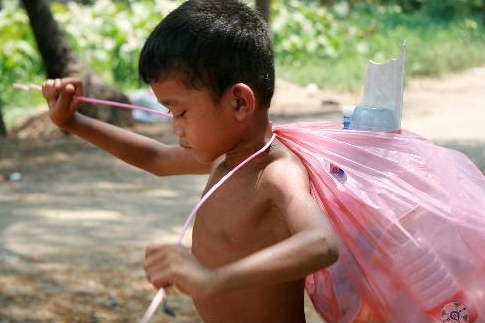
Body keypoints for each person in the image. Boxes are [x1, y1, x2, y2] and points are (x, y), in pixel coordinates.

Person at [41, 1, 339, 322]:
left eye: (181, 112)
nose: (175, 127)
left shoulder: (276, 173)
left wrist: (214, 281)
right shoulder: (224, 159)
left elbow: (322, 243)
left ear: (239, 102)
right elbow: (154, 157)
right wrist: (72, 123)